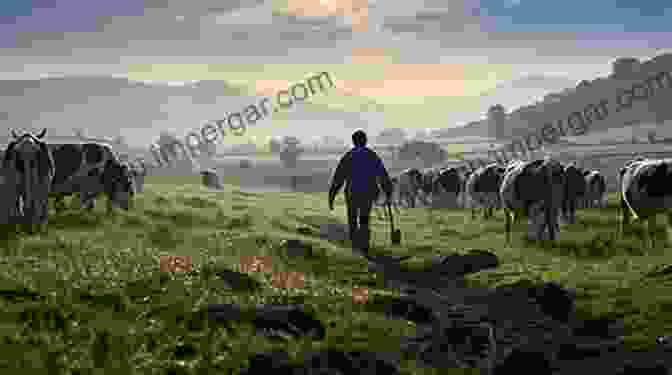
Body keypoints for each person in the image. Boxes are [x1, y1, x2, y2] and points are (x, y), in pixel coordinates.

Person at [328, 130, 393, 254]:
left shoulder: (348, 156)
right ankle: (364, 246)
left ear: (353, 141)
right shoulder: (371, 155)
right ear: (365, 141)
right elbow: (382, 175)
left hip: (352, 192)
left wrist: (331, 196)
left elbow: (338, 178)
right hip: (367, 192)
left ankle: (355, 246)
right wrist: (388, 192)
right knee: (364, 219)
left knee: (352, 219)